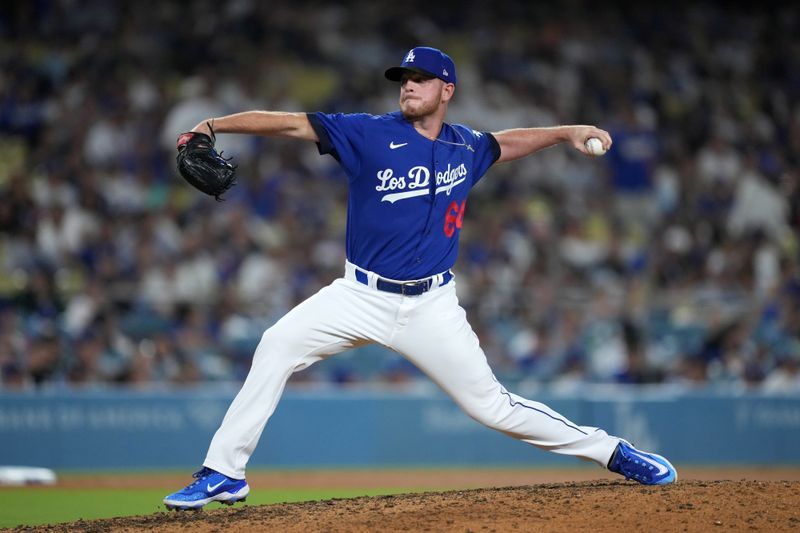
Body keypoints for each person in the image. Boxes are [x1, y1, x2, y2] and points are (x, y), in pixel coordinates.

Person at [163, 46, 677, 510]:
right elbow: (288, 124)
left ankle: (615, 451)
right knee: (276, 345)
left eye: (421, 78)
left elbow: (504, 143)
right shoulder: (367, 132)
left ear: (446, 90)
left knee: (493, 406)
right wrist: (215, 124)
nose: (408, 85)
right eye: (403, 78)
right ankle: (224, 472)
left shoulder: (464, 145)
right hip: (358, 294)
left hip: (432, 306)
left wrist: (565, 132)